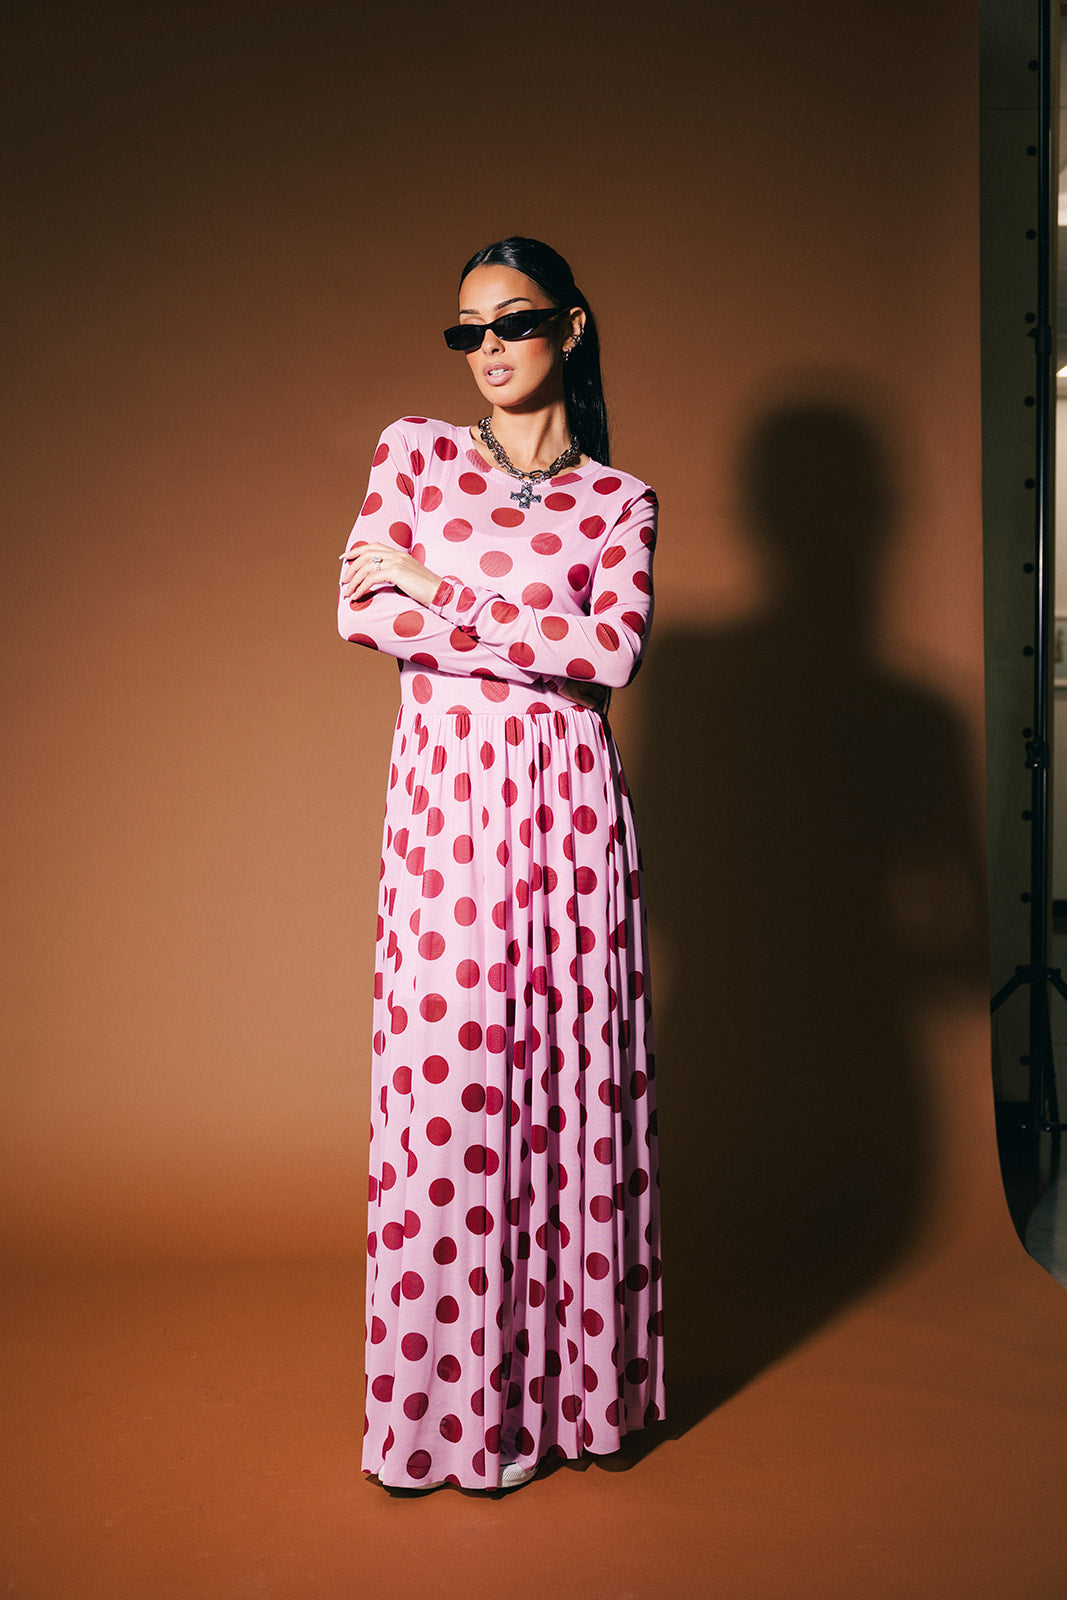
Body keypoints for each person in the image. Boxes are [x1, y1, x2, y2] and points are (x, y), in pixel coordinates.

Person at [338, 237, 664, 1493]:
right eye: (465, 332)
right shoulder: (412, 451)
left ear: (570, 329)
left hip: (573, 817)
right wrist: (497, 614)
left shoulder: (615, 500)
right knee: (451, 1094)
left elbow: (611, 656)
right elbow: (362, 610)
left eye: (512, 324)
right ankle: (442, 1419)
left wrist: (445, 589)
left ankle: (573, 1406)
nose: (487, 352)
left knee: (570, 1089)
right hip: (448, 811)